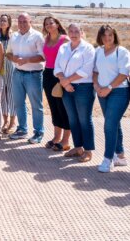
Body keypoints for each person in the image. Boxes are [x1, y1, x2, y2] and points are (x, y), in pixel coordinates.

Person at [92, 25, 130, 173]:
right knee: (114, 123)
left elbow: (124, 74)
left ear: (114, 36)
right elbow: (95, 71)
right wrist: (97, 86)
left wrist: (109, 87)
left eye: (110, 35)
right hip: (102, 92)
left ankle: (107, 159)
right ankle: (120, 157)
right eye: (104, 36)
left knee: (109, 124)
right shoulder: (98, 51)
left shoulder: (122, 52)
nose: (107, 38)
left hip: (119, 92)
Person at [54, 23, 96, 163]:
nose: (73, 33)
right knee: (73, 119)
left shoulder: (88, 48)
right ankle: (78, 148)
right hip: (67, 88)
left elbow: (87, 69)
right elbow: (57, 66)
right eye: (70, 31)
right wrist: (64, 82)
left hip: (83, 88)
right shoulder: (64, 47)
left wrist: (67, 81)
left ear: (82, 32)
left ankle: (88, 150)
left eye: (76, 31)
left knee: (84, 119)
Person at [6, 13, 46, 144]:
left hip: (33, 74)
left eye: (25, 21)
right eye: (20, 21)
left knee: (36, 105)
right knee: (18, 103)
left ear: (30, 22)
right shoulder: (14, 36)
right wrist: (14, 59)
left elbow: (43, 56)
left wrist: (27, 60)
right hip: (17, 73)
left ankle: (38, 132)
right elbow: (8, 53)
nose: (22, 24)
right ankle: (22, 130)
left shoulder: (37, 36)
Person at [41, 16, 71, 152]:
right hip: (47, 74)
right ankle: (56, 138)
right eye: (46, 24)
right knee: (53, 107)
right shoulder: (46, 39)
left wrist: (65, 76)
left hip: (60, 75)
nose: (48, 25)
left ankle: (66, 141)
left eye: (51, 23)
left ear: (57, 24)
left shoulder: (65, 39)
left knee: (63, 108)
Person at [0, 14, 17, 135]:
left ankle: (13, 122)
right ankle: (5, 121)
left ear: (9, 22)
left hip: (11, 67)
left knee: (11, 94)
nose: (3, 22)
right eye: (1, 20)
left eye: (5, 20)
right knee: (2, 95)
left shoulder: (14, 36)